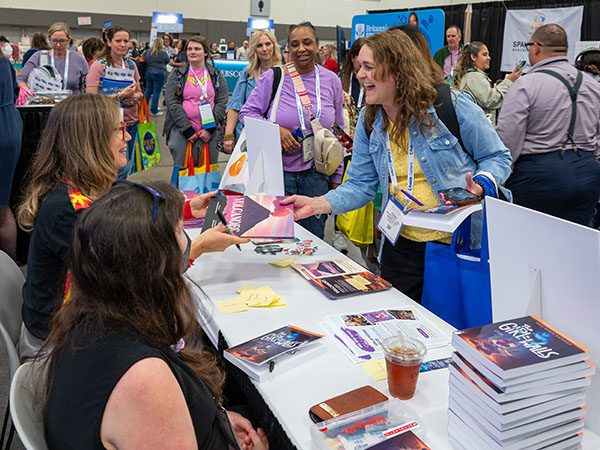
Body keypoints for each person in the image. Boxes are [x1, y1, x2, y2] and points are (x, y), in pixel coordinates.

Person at [281, 30, 511, 301]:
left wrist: (482, 184)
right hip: (399, 244)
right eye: (359, 67)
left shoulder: (451, 105)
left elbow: (498, 157)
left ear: (397, 71)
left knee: (450, 331)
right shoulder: (371, 121)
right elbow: (360, 185)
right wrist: (318, 203)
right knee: (401, 330)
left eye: (369, 67)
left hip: (453, 247)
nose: (360, 74)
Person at [16, 94, 245, 360]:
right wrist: (198, 248)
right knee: (185, 330)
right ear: (92, 140)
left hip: (76, 323)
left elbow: (126, 227)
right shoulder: (69, 211)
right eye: (119, 130)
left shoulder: (84, 188)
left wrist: (184, 210)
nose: (127, 138)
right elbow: (133, 276)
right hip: (58, 343)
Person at [41, 181, 267, 449]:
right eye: (181, 231)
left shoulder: (88, 320)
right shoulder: (143, 379)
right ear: (155, 269)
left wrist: (215, 419)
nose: (188, 243)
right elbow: (148, 408)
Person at [240, 21, 345, 239]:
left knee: (312, 240)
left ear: (317, 45)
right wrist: (274, 130)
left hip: (317, 175)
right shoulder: (274, 76)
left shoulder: (331, 80)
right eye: (294, 44)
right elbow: (247, 113)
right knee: (275, 236)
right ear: (288, 48)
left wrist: (337, 174)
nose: (301, 49)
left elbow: (338, 129)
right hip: (276, 172)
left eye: (307, 43)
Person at [497, 24, 600, 226]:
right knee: (575, 244)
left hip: (538, 177)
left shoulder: (526, 84)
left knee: (526, 245)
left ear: (535, 47)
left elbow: (508, 139)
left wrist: (500, 178)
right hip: (587, 174)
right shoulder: (594, 86)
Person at [86, 26, 143, 180]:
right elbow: (91, 98)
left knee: (125, 166)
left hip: (130, 122)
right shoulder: (99, 65)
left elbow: (139, 91)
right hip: (108, 124)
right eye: (118, 41)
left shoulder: (131, 65)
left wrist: (135, 97)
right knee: (110, 168)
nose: (123, 44)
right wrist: (119, 96)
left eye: (126, 41)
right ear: (109, 42)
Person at [164, 35, 229, 168]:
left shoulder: (215, 74)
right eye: (189, 49)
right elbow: (172, 101)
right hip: (182, 132)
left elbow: (222, 100)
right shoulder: (177, 74)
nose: (192, 52)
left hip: (210, 132)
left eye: (197, 49)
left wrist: (209, 129)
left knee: (208, 172)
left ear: (205, 52)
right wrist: (187, 130)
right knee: (183, 173)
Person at [223, 30, 282, 153]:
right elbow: (235, 105)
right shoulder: (248, 73)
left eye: (268, 44)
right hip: (247, 135)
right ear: (254, 50)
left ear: (274, 46)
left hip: (276, 135)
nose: (264, 49)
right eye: (259, 46)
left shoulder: (283, 72)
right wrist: (228, 136)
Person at [453, 41, 522, 125]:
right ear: (473, 57)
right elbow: (490, 100)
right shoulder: (474, 77)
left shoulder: (472, 76)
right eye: (484, 54)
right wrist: (509, 81)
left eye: (488, 54)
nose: (489, 58)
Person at [17, 22, 88, 101]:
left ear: (69, 40)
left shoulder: (78, 59)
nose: (58, 45)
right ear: (49, 39)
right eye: (54, 41)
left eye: (62, 41)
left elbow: (87, 85)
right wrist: (24, 89)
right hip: (44, 106)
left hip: (72, 107)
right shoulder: (38, 57)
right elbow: (21, 79)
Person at [0, 49, 23, 261]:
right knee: (3, 205)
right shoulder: (4, 61)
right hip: (9, 126)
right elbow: (15, 92)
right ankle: (11, 267)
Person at [144, 37, 170, 115]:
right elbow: (167, 60)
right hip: (160, 73)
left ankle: (143, 110)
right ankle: (153, 110)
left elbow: (146, 60)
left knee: (148, 91)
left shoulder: (148, 51)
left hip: (149, 72)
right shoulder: (163, 52)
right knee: (156, 92)